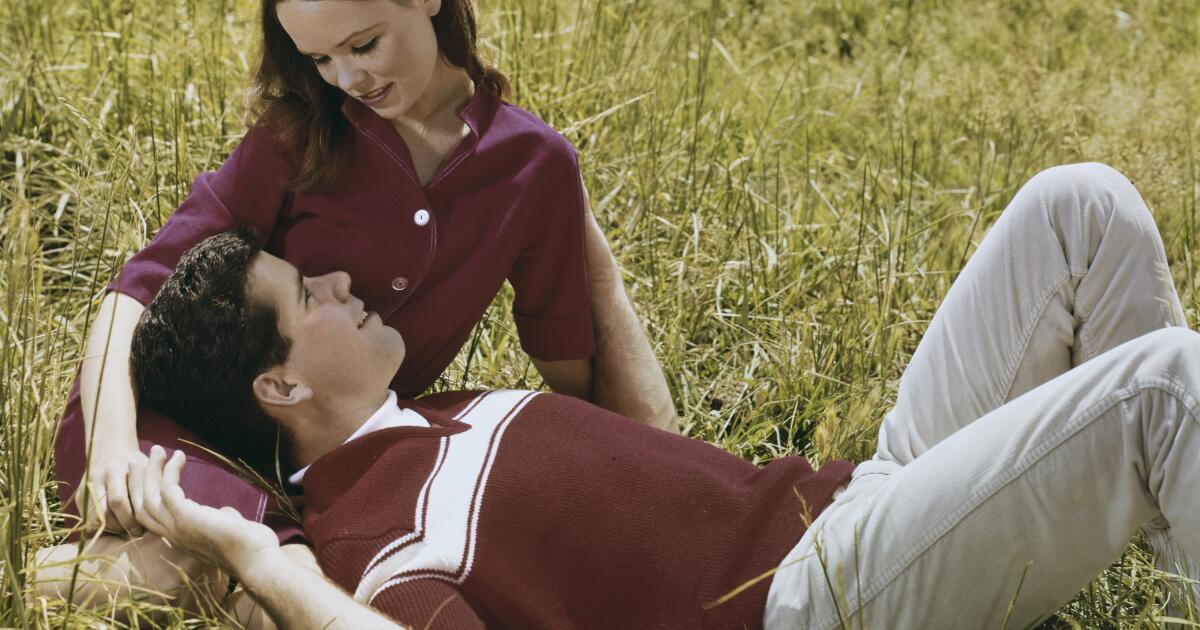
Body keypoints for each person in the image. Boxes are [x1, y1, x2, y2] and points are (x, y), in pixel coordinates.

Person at [48, 161, 1200, 628]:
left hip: (861, 500)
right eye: (309, 293)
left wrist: (571, 221)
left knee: (1081, 208)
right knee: (1164, 387)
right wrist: (250, 556)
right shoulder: (378, 541)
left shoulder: (453, 409)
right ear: (281, 380)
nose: (341, 282)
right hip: (816, 603)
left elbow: (660, 447)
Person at [46, 0, 674, 620]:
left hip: (331, 460)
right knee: (214, 571)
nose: (347, 78)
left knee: (276, 594)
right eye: (320, 58)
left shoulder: (534, 164)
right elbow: (138, 289)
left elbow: (580, 381)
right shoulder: (298, 134)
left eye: (363, 44)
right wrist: (110, 444)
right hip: (162, 421)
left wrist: (650, 468)